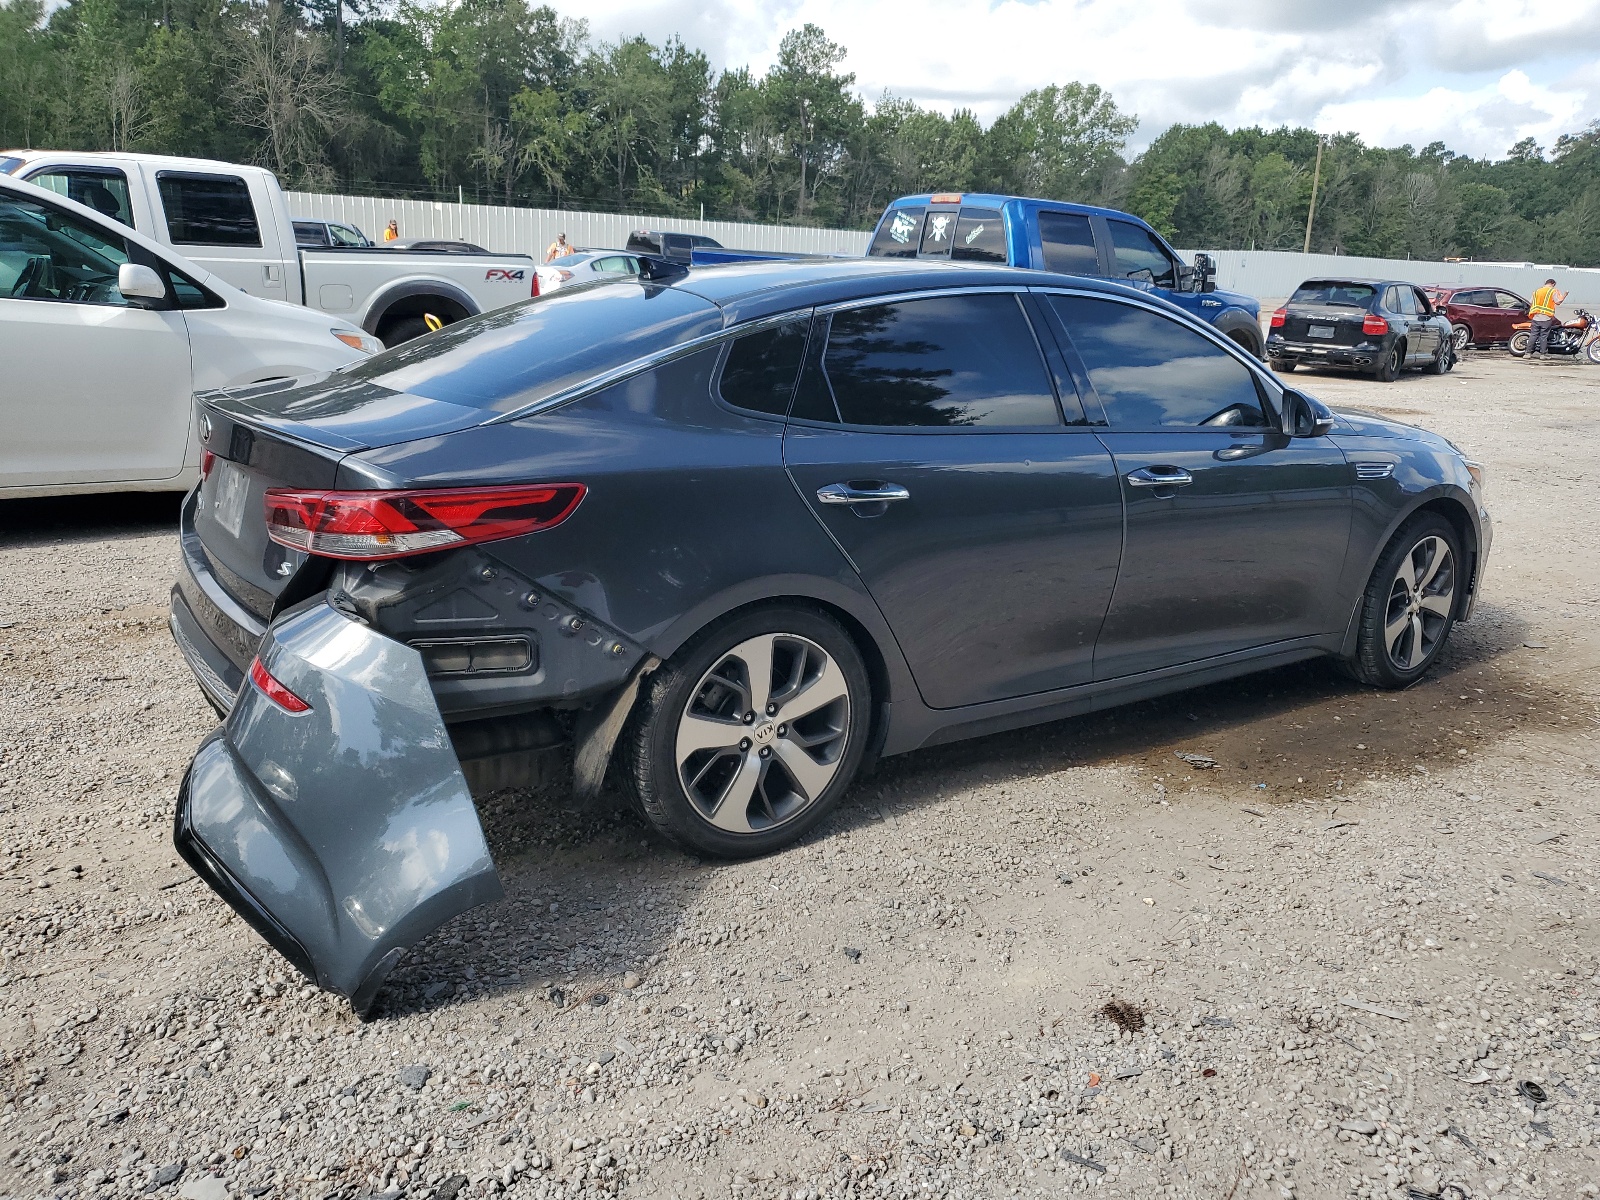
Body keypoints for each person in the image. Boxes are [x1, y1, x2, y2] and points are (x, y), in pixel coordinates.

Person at [1528, 277, 1566, 358]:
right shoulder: (1553, 291)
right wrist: (1564, 296)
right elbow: (1557, 302)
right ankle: (1543, 354)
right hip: (1546, 318)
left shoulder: (1537, 291)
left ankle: (1528, 353)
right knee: (1543, 336)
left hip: (1535, 317)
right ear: (1553, 284)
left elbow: (1530, 302)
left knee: (1533, 335)